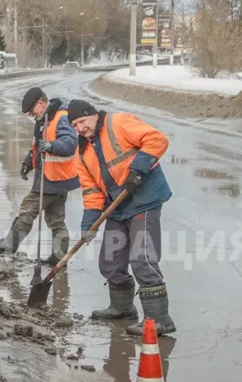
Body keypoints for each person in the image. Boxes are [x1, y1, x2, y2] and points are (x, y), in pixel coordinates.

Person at [66, 98, 175, 336]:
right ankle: (122, 307)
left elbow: (157, 139)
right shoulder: (82, 153)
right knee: (110, 259)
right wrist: (89, 223)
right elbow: (92, 191)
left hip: (144, 199)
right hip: (118, 206)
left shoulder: (119, 123)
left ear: (93, 114)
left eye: (82, 122)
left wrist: (138, 169)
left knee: (142, 257)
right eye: (74, 126)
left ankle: (159, 319)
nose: (80, 129)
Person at [0, 87, 78, 264]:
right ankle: (59, 258)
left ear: (42, 104)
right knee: (56, 219)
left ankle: (9, 245)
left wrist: (52, 146)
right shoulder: (44, 119)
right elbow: (37, 146)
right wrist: (29, 162)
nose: (30, 115)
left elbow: (70, 143)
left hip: (52, 178)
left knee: (28, 209)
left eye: (31, 111)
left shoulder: (61, 117)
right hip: (59, 178)